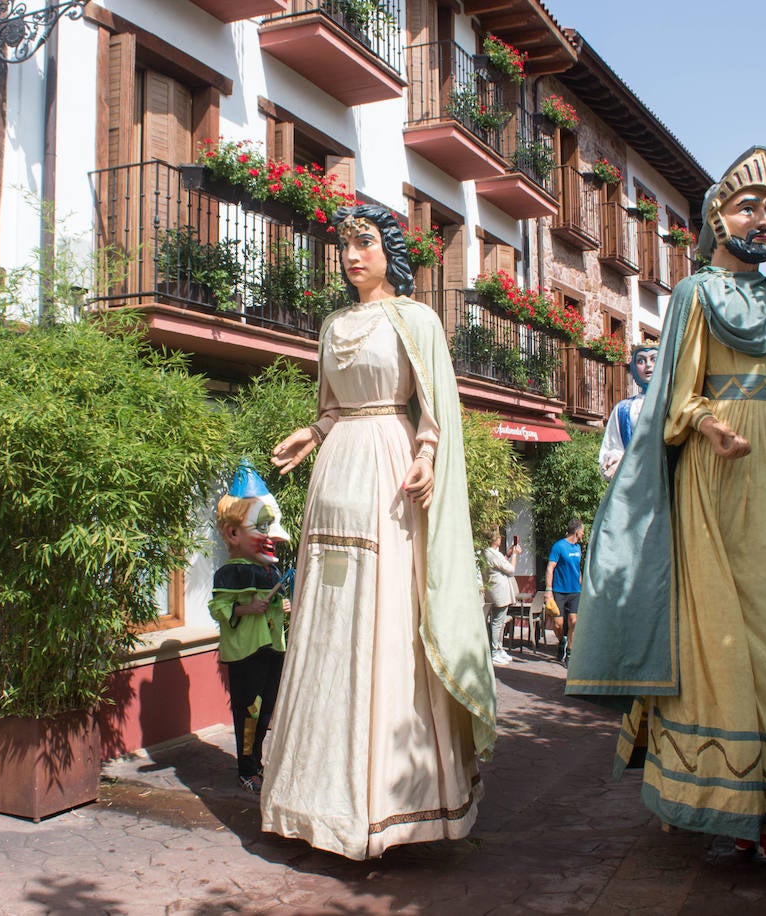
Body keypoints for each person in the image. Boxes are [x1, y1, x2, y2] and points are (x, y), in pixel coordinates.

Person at [565, 147, 766, 857]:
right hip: (716, 472)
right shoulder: (694, 296)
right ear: (716, 221)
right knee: (715, 630)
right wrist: (705, 422)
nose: (762, 220)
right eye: (747, 207)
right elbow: (676, 389)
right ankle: (723, 799)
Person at [259, 204, 495, 860]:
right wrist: (311, 433)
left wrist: (425, 451)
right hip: (336, 475)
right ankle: (314, 800)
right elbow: (331, 407)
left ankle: (392, 802)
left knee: (386, 617)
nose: (351, 255)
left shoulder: (416, 320)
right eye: (344, 245)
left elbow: (436, 403)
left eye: (364, 242)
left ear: (390, 249)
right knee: (327, 617)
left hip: (390, 469)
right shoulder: (333, 324)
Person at [208, 459, 291, 794]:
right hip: (246, 653)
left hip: (272, 648)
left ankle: (256, 762)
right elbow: (219, 608)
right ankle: (246, 768)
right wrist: (246, 607)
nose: (272, 535)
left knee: (266, 710)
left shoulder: (270, 571)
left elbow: (272, 606)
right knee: (249, 712)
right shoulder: (231, 573)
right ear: (233, 533)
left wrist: (281, 606)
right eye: (262, 526)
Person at [599, 344, 658, 479]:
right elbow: (613, 446)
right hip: (635, 484)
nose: (648, 365)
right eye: (641, 361)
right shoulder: (624, 409)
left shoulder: (675, 403)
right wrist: (614, 459)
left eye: (654, 359)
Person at [544, 519, 584, 665]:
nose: (583, 533)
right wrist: (548, 590)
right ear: (577, 531)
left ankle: (569, 653)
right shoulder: (559, 546)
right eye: (582, 531)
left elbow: (577, 569)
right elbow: (550, 568)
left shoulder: (578, 548)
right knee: (558, 624)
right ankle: (562, 641)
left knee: (574, 621)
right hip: (559, 591)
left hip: (575, 591)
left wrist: (582, 585)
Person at [482, 529, 523, 664]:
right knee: (497, 622)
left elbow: (500, 565)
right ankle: (495, 650)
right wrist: (515, 555)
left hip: (496, 591)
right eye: (499, 537)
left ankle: (498, 648)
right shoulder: (492, 553)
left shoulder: (489, 554)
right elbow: (510, 570)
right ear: (495, 539)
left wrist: (508, 554)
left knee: (498, 621)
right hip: (499, 592)